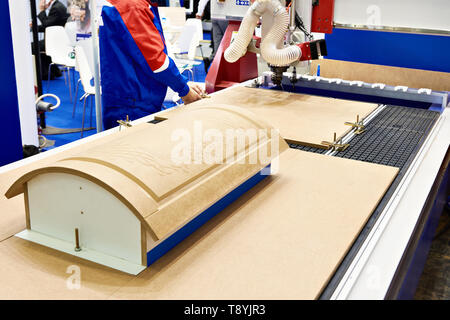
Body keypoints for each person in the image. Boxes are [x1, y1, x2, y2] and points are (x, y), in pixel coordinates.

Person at [99, 0, 205, 130]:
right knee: (132, 146)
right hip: (133, 101)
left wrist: (183, 84)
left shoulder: (130, 4)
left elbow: (142, 55)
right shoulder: (133, 6)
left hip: (127, 95)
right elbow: (157, 62)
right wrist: (184, 90)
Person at [32, 0, 70, 79]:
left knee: (33, 47)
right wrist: (34, 28)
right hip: (58, 39)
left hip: (56, 41)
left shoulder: (56, 8)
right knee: (38, 46)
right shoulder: (57, 6)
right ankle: (54, 71)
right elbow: (50, 26)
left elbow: (47, 24)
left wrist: (42, 11)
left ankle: (46, 74)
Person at [196, 0, 228, 67]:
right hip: (226, 15)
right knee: (228, 42)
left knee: (217, 44)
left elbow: (202, 1)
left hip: (214, 16)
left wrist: (199, 12)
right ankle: (224, 66)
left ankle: (211, 60)